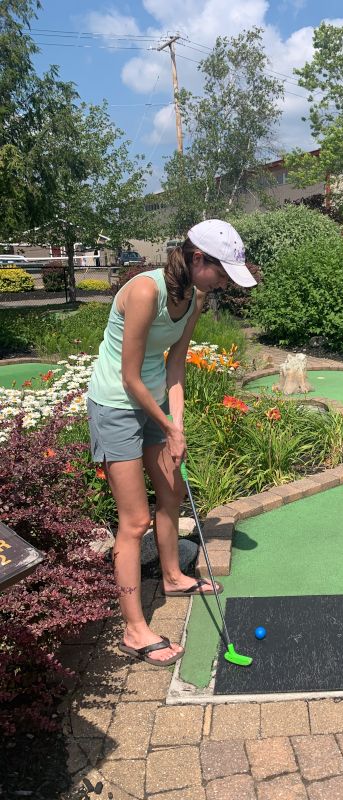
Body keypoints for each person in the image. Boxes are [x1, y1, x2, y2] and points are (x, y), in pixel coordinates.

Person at [86, 220, 256, 667]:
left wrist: (175, 425)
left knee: (172, 493)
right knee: (134, 520)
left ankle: (174, 576)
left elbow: (175, 367)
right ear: (198, 258)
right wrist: (168, 423)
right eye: (220, 273)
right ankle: (134, 629)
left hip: (155, 402)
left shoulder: (195, 298)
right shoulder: (145, 291)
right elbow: (129, 375)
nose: (222, 284)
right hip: (115, 405)